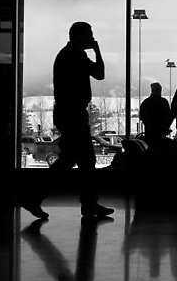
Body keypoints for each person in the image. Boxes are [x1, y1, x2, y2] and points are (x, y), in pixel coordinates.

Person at [22, 22, 114, 219]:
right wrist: (97, 51)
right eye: (89, 34)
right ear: (80, 36)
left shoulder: (70, 54)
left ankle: (84, 203)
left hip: (69, 113)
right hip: (73, 114)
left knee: (74, 160)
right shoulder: (75, 56)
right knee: (80, 161)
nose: (92, 38)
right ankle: (84, 204)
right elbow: (99, 73)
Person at [139, 82, 171, 149]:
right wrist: (166, 126)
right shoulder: (164, 102)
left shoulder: (146, 102)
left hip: (149, 133)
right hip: (161, 133)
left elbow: (141, 116)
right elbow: (169, 116)